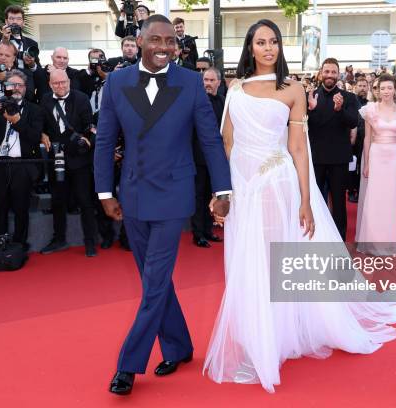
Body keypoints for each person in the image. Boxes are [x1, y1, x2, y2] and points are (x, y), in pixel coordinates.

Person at [203, 19, 396, 394]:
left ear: (280, 48)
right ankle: (259, 333)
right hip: (245, 187)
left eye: (273, 42)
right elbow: (227, 143)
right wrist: (226, 191)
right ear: (249, 48)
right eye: (260, 42)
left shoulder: (292, 88)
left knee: (280, 257)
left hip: (280, 184)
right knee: (250, 259)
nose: (267, 48)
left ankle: (281, 331)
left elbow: (297, 148)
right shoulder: (234, 89)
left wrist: (307, 200)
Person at [94, 15, 232, 395]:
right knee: (155, 282)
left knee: (153, 284)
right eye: (155, 39)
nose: (163, 46)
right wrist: (105, 193)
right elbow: (105, 142)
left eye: (169, 41)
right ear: (138, 41)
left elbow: (209, 140)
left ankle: (127, 365)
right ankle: (180, 345)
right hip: (133, 197)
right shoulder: (117, 82)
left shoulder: (189, 82)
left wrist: (223, 189)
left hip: (173, 196)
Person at [0, 69, 43, 251]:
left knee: (21, 208)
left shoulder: (35, 110)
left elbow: (33, 136)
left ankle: (19, 245)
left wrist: (17, 120)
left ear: (25, 88)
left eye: (19, 85)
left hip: (22, 165)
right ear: (5, 87)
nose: (15, 88)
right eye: (11, 85)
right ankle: (0, 243)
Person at [39, 69, 98, 257]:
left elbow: (89, 126)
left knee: (85, 201)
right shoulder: (45, 100)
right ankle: (59, 239)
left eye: (63, 82)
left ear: (69, 81)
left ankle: (91, 242)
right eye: (56, 83)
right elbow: (42, 125)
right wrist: (42, 134)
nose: (61, 86)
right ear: (50, 85)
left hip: (79, 159)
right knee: (58, 201)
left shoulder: (81, 99)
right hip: (57, 158)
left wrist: (85, 140)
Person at [307, 57, 359, 241]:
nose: (329, 75)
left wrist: (340, 109)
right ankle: (315, 240)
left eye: (333, 72)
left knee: (338, 204)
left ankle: (339, 242)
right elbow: (302, 126)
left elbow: (354, 122)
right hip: (315, 159)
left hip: (338, 159)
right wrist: (310, 110)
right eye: (326, 71)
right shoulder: (311, 97)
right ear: (321, 74)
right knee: (314, 202)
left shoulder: (349, 98)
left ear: (338, 75)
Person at [355, 74, 396, 256]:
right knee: (375, 198)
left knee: (391, 199)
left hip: (394, 157)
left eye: (389, 88)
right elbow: (367, 138)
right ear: (377, 90)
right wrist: (367, 163)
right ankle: (373, 241)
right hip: (376, 156)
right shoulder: (370, 109)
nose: (385, 91)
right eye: (382, 88)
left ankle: (390, 242)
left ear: (395, 89)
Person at [191, 67, 225, 248]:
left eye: (212, 81)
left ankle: (208, 231)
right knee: (198, 196)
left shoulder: (223, 101)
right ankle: (198, 234)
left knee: (211, 195)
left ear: (219, 83)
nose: (208, 84)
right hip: (197, 157)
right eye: (205, 80)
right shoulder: (194, 102)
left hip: (216, 159)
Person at [0, 5, 39, 71]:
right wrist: (4, 40)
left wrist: (31, 64)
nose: (15, 22)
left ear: (23, 23)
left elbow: (37, 69)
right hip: (3, 78)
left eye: (19, 19)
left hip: (25, 79)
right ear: (6, 22)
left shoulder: (32, 43)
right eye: (11, 19)